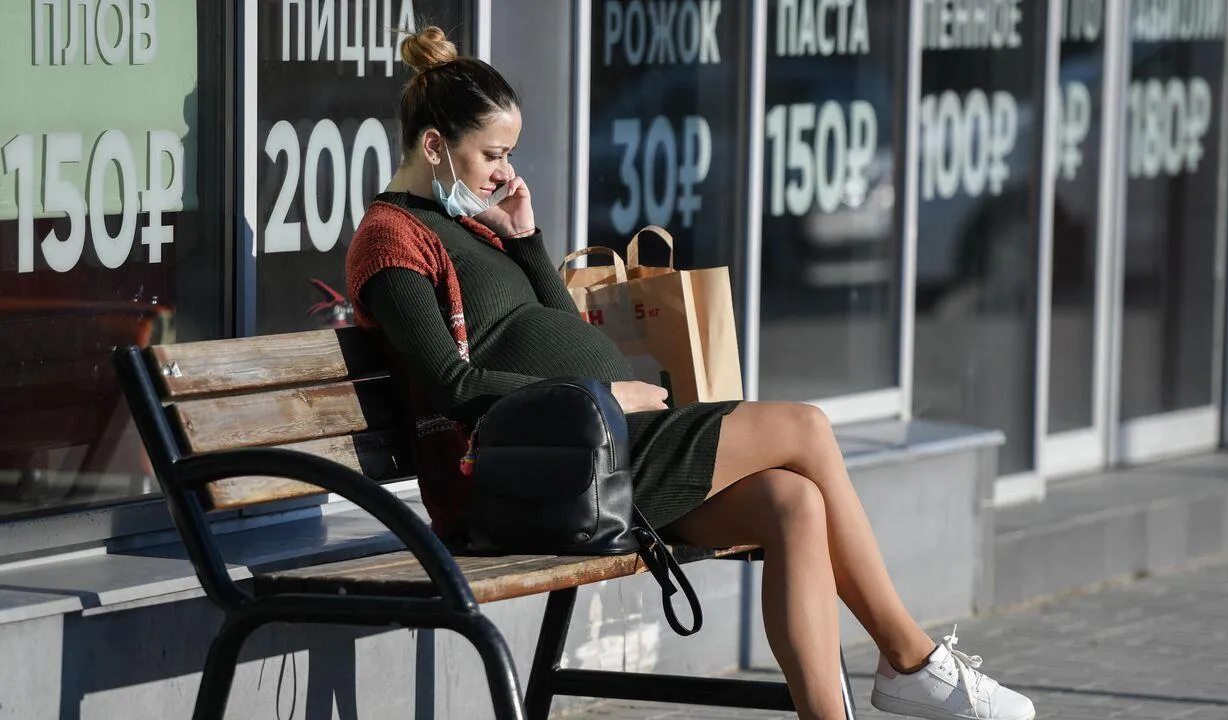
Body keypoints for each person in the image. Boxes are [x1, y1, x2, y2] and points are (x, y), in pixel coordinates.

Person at [345, 26, 1036, 720]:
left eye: (510, 155)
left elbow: (557, 323)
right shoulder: (391, 238)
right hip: (543, 474)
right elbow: (455, 388)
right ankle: (911, 658)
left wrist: (525, 242)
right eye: (493, 155)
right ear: (434, 146)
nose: (506, 173)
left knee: (794, 503)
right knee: (805, 426)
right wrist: (602, 395)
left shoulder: (476, 222)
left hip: (600, 450)